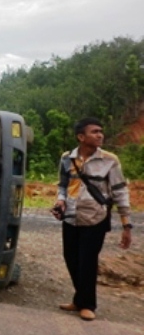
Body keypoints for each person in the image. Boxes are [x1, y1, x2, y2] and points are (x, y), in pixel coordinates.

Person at [51, 117, 132, 321]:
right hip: (70, 217)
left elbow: (120, 192)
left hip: (96, 217)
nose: (100, 135)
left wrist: (126, 224)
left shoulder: (109, 160)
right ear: (81, 137)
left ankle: (87, 305)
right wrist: (60, 201)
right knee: (71, 258)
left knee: (87, 261)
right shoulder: (67, 158)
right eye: (94, 131)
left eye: (101, 131)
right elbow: (62, 185)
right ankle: (79, 299)